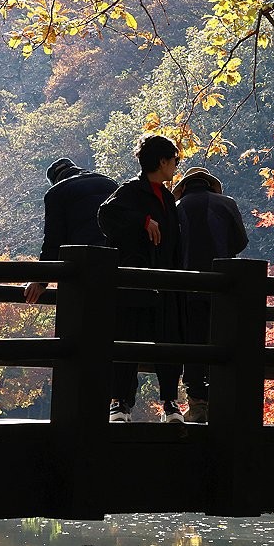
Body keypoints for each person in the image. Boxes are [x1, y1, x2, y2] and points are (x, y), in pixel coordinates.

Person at [97, 134, 186, 423]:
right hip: (136, 281)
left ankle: (170, 403)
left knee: (169, 343)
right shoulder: (131, 190)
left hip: (166, 281)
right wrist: (142, 221)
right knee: (128, 339)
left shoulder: (168, 197)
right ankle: (121, 403)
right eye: (174, 160)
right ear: (162, 161)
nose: (176, 165)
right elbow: (106, 215)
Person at [173, 167, 249, 423]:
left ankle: (197, 404)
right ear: (210, 185)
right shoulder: (227, 204)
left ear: (184, 187)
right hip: (223, 286)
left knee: (193, 343)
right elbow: (241, 242)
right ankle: (223, 401)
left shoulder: (177, 207)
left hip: (187, 286)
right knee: (222, 339)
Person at [23, 158, 118, 303]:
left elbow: (53, 240)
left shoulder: (56, 192)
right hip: (117, 262)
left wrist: (41, 280)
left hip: (83, 264)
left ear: (55, 180)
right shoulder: (110, 183)